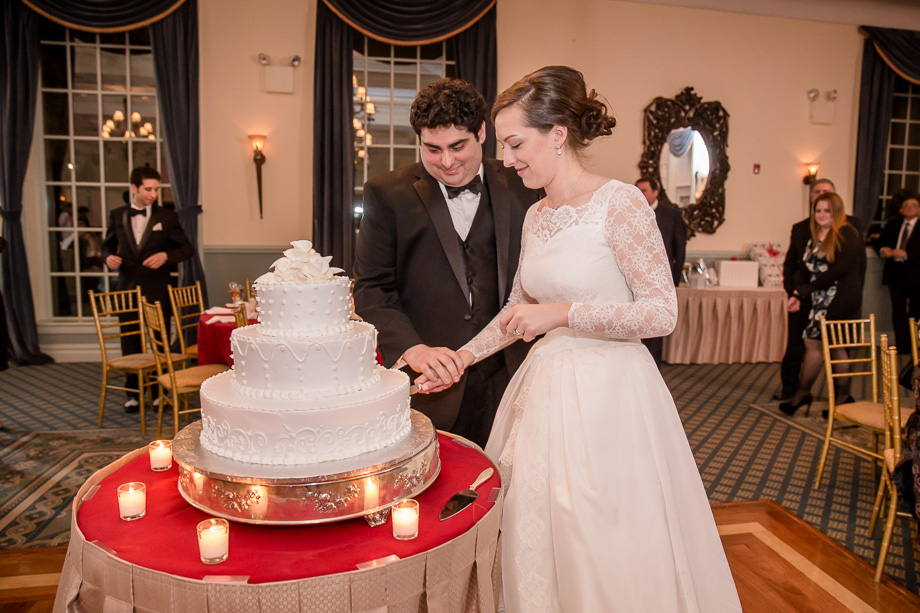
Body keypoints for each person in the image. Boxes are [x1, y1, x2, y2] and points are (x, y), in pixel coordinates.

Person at [417, 66, 741, 612]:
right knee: (538, 526)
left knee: (601, 531)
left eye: (516, 144)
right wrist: (462, 358)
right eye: (504, 146)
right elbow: (517, 308)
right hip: (544, 396)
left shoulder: (620, 203)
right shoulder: (536, 214)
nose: (508, 159)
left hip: (610, 397)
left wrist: (565, 314)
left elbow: (662, 312)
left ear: (558, 134)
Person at [353, 78, 541, 447]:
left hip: (515, 372)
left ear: (481, 132)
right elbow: (372, 289)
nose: (447, 161)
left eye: (458, 146)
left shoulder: (526, 185)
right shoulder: (386, 194)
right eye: (433, 149)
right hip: (433, 384)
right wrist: (414, 349)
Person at [101, 166, 194, 412]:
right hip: (127, 289)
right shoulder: (117, 215)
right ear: (134, 188)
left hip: (157, 288)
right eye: (148, 189)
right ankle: (132, 393)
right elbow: (106, 246)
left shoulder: (167, 216)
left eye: (156, 189)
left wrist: (165, 256)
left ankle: (158, 392)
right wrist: (107, 257)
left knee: (160, 342)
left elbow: (187, 249)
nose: (153, 194)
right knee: (130, 341)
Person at [775, 178, 865, 402]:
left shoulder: (847, 232)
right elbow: (801, 266)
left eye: (827, 210)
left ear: (836, 209)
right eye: (818, 210)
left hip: (838, 299)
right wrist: (795, 293)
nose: (822, 214)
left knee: (831, 345)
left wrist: (803, 291)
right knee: (814, 343)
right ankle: (807, 394)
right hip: (818, 298)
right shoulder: (813, 234)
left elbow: (840, 270)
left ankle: (826, 395)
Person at [636, 176, 686, 366]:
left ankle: (652, 365)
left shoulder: (671, 215)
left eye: (644, 190)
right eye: (638, 190)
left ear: (655, 193)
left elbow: (679, 249)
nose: (640, 194)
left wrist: (674, 281)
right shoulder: (632, 211)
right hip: (635, 276)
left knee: (654, 323)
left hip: (660, 279)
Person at [874, 190, 920, 357]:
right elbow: (878, 241)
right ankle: (902, 346)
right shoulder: (893, 225)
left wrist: (906, 254)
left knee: (916, 311)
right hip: (896, 273)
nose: (909, 208)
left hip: (917, 274)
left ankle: (915, 344)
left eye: (913, 205)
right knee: (898, 310)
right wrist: (884, 250)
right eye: (906, 205)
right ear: (901, 209)